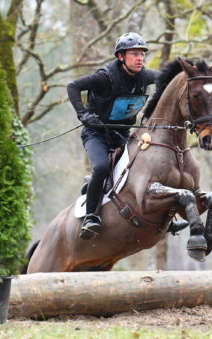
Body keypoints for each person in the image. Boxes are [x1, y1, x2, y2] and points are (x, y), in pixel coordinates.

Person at [67, 32, 159, 240]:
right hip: (96, 134)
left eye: (142, 54)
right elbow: (73, 87)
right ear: (121, 57)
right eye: (134, 54)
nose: (140, 59)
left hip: (123, 135)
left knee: (149, 162)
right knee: (101, 167)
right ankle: (91, 216)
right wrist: (83, 114)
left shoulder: (145, 77)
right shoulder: (104, 77)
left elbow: (169, 78)